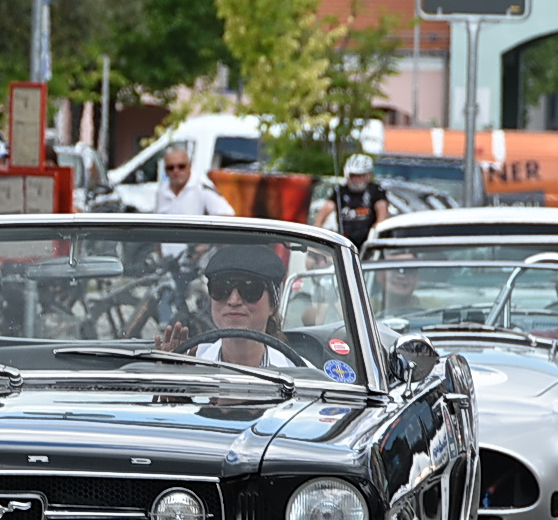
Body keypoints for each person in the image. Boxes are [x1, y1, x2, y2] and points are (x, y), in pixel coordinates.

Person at [158, 244, 295, 368]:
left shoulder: (303, 377)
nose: (234, 300)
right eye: (221, 288)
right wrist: (168, 385)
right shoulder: (187, 363)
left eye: (250, 289)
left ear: (273, 303)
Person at [314, 153, 388, 249]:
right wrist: (317, 232)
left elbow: (381, 217)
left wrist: (374, 236)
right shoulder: (340, 191)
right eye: (353, 176)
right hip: (345, 242)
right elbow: (325, 210)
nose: (356, 179)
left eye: (360, 176)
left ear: (368, 176)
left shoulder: (376, 191)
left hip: (368, 243)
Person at [153, 147, 234, 218]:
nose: (176, 171)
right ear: (165, 170)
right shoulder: (162, 190)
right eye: (171, 168)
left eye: (181, 166)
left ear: (189, 166)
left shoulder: (202, 187)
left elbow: (227, 216)